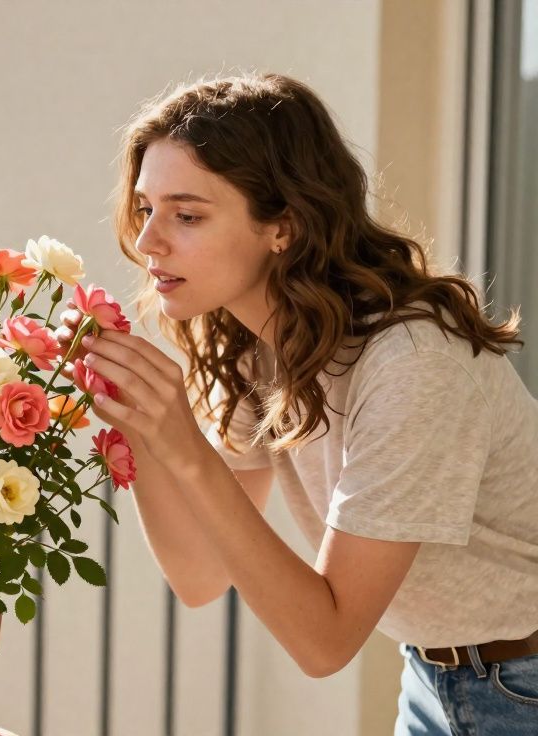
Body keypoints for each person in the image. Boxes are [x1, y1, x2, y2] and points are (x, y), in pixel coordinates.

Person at [58, 73, 538, 734]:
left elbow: (325, 641)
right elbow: (199, 575)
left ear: (282, 225)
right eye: (146, 209)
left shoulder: (410, 364)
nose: (147, 243)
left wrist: (184, 443)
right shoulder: (261, 347)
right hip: (439, 678)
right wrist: (141, 425)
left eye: (187, 214)